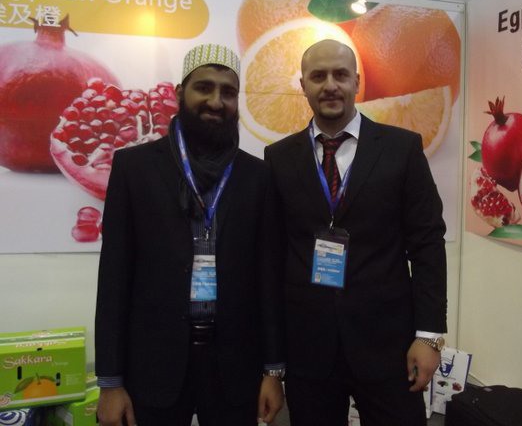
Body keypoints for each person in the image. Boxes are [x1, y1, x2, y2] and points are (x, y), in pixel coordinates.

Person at [95, 44, 285, 426]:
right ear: (180, 93)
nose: (216, 101)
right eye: (204, 88)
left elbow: (268, 279)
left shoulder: (258, 176)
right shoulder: (134, 168)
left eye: (228, 92)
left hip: (235, 366)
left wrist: (273, 370)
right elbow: (114, 277)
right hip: (154, 365)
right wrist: (110, 382)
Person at [264, 39, 447, 426]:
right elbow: (273, 259)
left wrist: (428, 335)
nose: (330, 85)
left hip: (388, 345)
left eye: (340, 74)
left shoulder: (401, 149)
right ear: (303, 85)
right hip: (309, 349)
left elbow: (427, 244)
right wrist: (273, 363)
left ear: (357, 82)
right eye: (318, 76)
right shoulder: (278, 158)